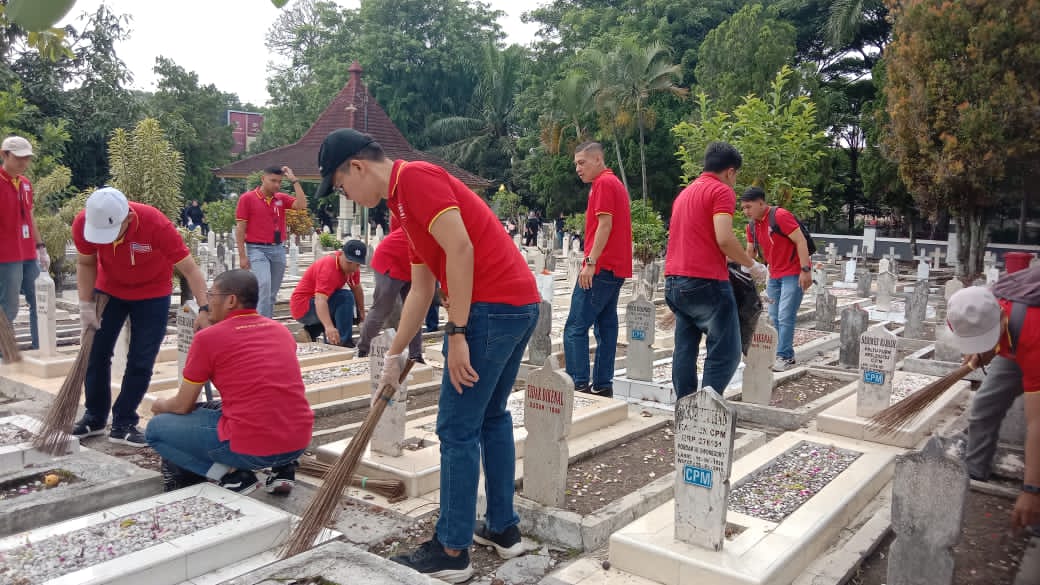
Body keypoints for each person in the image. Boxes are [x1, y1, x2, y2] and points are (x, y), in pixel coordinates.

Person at [315, 128, 539, 583]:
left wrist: (456, 332)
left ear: (356, 167)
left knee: (456, 428)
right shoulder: (402, 206)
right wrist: (394, 357)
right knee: (491, 417)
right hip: (516, 306)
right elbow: (422, 287)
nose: (348, 195)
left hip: (491, 310)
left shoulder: (415, 178)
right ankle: (503, 529)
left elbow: (461, 248)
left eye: (341, 186)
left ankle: (452, 549)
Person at [146, 269, 314, 495]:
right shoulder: (280, 331)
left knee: (156, 429)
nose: (208, 302)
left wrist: (159, 405)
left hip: (252, 448)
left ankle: (233, 476)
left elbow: (182, 405)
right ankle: (283, 471)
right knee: (234, 405)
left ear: (231, 300)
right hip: (298, 440)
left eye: (211, 296)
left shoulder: (208, 339)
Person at [71, 187, 210, 446]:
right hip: (108, 291)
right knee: (96, 352)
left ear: (128, 218)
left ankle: (124, 421)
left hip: (152, 295)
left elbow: (190, 269)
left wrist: (205, 309)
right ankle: (95, 416)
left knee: (141, 359)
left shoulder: (155, 223)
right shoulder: (84, 222)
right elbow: (86, 263)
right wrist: (85, 306)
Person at [664, 142, 766, 399]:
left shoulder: (685, 194)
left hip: (675, 281)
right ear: (730, 171)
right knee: (726, 350)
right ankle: (707, 406)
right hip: (706, 281)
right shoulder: (721, 191)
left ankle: (685, 405)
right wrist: (751, 264)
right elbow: (724, 237)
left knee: (685, 348)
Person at [946, 286, 1039, 533]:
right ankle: (975, 470)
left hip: (1033, 344)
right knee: (985, 404)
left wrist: (1031, 489)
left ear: (1000, 320)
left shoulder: (1032, 332)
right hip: (1012, 342)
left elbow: (1036, 422)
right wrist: (981, 351)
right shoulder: (969, 307)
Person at [563, 142, 632, 398]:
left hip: (602, 267)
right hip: (615, 268)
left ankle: (578, 383)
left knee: (574, 327)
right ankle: (603, 384)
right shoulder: (612, 183)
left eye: (582, 162)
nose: (578, 169)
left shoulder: (603, 183)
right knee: (605, 327)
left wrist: (590, 263)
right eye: (576, 164)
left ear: (598, 159)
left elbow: (605, 225)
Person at [740, 186, 812, 372]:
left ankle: (785, 356)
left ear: (761, 202)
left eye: (749, 206)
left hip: (793, 273)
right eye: (743, 208)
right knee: (773, 316)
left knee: (785, 315)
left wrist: (806, 270)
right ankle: (780, 351)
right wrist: (743, 270)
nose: (746, 211)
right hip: (774, 275)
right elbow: (751, 252)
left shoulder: (780, 216)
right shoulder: (752, 226)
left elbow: (800, 240)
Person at [235, 165, 308, 318]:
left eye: (279, 182)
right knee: (264, 286)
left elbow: (301, 205)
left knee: (272, 293)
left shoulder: (280, 198)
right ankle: (260, 326)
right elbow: (240, 229)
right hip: (257, 249)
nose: (276, 185)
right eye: (273, 180)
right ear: (263, 179)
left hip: (278, 249)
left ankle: (265, 322)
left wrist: (294, 180)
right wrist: (242, 256)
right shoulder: (247, 199)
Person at [0, 136, 46, 353]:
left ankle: (40, 349)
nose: (23, 163)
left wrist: (40, 246)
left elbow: (30, 216)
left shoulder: (25, 184)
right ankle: (5, 354)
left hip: (28, 254)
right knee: (9, 306)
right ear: (4, 155)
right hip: (6, 256)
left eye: (27, 159)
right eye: (19, 158)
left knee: (39, 300)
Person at [356, 224, 424, 362]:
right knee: (382, 309)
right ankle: (362, 349)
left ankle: (415, 355)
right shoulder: (430, 222)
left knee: (416, 312)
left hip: (413, 267)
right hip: (390, 261)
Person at [290, 239, 367, 347]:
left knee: (352, 311)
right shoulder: (329, 267)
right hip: (304, 307)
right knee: (345, 297)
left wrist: (362, 312)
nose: (353, 268)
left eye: (357, 264)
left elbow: (356, 288)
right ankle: (342, 342)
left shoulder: (353, 268)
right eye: (349, 262)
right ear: (342, 254)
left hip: (317, 304)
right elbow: (320, 300)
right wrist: (329, 327)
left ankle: (310, 332)